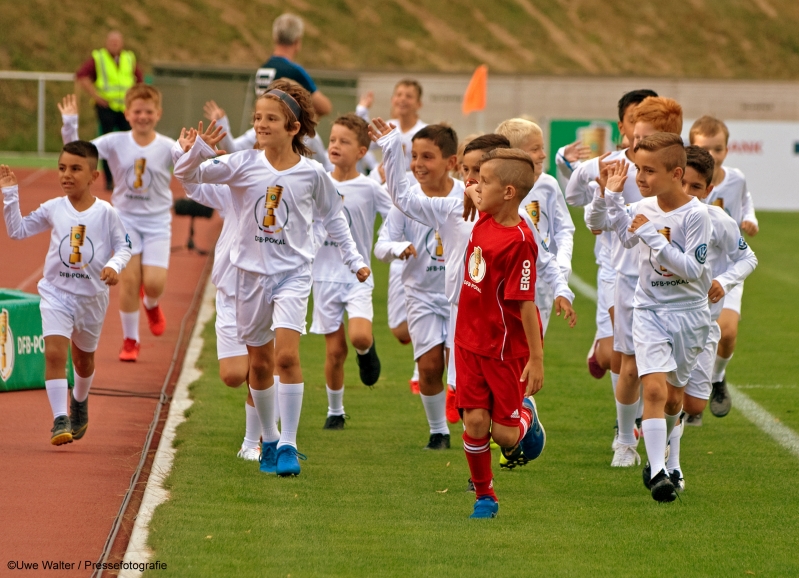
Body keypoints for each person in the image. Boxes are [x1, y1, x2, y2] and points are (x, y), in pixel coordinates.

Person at [173, 79, 369, 477]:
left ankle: (289, 446)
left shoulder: (313, 174)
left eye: (271, 119)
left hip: (293, 275)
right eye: (258, 118)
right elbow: (187, 178)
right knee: (259, 366)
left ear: (293, 127)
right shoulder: (242, 163)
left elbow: (334, 217)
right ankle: (268, 438)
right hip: (248, 278)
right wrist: (196, 151)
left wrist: (354, 259)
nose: (261, 125)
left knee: (286, 356)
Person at [371, 120, 574, 472]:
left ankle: (521, 421)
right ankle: (480, 486)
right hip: (461, 318)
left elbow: (546, 259)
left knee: (500, 427)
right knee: (470, 414)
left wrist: (562, 290)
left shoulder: (520, 221)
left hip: (502, 330)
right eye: (467, 171)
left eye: (479, 172)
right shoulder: (452, 209)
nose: (471, 180)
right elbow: (402, 198)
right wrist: (391, 146)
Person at [601, 133, 712, 502]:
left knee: (674, 400)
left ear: (677, 173)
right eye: (638, 169)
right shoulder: (643, 207)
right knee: (652, 389)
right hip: (649, 310)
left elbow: (693, 269)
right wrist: (614, 197)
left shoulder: (696, 214)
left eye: (649, 170)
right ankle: (658, 473)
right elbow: (623, 236)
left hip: (690, 314)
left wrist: (652, 234)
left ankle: (672, 458)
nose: (640, 177)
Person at [1, 143, 131, 445]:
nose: (66, 175)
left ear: (93, 175)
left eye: (75, 169)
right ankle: (60, 419)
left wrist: (114, 266)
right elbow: (17, 231)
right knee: (55, 353)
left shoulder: (106, 213)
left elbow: (124, 245)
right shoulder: (53, 208)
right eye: (62, 168)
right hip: (56, 294)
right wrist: (10, 195)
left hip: (92, 298)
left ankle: (80, 401)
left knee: (84, 360)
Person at [583, 96, 683, 466]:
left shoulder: (686, 191)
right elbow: (599, 225)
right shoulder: (624, 179)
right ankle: (626, 440)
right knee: (629, 365)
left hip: (680, 295)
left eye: (645, 140)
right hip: (631, 285)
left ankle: (669, 448)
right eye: (635, 138)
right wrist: (606, 193)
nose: (634, 149)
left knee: (674, 384)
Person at [653, 145, 757, 489]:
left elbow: (747, 259)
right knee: (661, 392)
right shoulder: (655, 213)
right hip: (658, 316)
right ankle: (669, 464)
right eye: (684, 183)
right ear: (674, 177)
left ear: (709, 191)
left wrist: (723, 281)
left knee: (692, 403)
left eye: (697, 188)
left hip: (701, 323)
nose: (687, 193)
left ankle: (661, 437)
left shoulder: (718, 220)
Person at [171, 133, 275, 461]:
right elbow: (190, 183)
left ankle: (252, 442)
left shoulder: (290, 187)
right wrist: (186, 151)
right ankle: (268, 399)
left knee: (260, 367)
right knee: (233, 375)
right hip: (231, 294)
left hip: (268, 293)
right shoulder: (233, 191)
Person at [454, 148, 546, 518]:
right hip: (468, 341)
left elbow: (526, 305)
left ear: (509, 192)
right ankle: (485, 496)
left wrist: (536, 360)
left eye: (486, 179)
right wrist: (468, 190)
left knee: (505, 437)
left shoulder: (520, 241)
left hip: (504, 350)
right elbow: (470, 189)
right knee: (475, 422)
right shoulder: (486, 212)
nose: (477, 184)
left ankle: (526, 415)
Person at [59, 87, 176, 363]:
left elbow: (194, 164)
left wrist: (206, 151)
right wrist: (70, 124)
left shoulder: (168, 146)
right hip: (125, 219)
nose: (143, 116)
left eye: (149, 112)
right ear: (127, 113)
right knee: (129, 280)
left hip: (158, 221)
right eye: (137, 111)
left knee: (155, 283)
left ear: (158, 114)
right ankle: (131, 340)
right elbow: (78, 152)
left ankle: (151, 303)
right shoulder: (114, 141)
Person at [374, 124, 462, 449]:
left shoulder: (466, 196)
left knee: (459, 369)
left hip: (459, 297)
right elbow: (381, 245)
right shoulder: (407, 199)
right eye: (413, 156)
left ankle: (477, 430)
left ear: (451, 162)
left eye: (428, 156)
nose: (418, 164)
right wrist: (398, 248)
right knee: (428, 367)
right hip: (421, 295)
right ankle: (439, 431)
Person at [565, 89, 657, 387]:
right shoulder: (605, 165)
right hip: (616, 268)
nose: (640, 131)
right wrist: (601, 197)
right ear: (622, 126)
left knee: (648, 350)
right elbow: (575, 195)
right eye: (634, 121)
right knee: (617, 355)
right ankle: (628, 423)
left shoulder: (670, 168)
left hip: (659, 270)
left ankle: (649, 417)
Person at [311, 114, 392, 429]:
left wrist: (395, 244)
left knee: (358, 337)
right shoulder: (318, 180)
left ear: (361, 151)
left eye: (344, 142)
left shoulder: (370, 188)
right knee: (334, 351)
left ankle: (367, 350)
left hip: (358, 275)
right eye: (332, 140)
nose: (335, 146)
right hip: (323, 277)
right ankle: (335, 411)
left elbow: (396, 217)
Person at [688, 116, 759, 420]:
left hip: (728, 269)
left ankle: (717, 378)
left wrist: (750, 220)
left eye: (718, 149)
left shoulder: (736, 178)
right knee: (691, 338)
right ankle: (692, 395)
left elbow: (744, 202)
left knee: (726, 333)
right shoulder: (684, 182)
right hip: (692, 273)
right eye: (705, 148)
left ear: (727, 150)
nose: (713, 155)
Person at [495, 118, 575, 334]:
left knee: (531, 348)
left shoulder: (548, 184)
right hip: (504, 278)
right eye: (535, 149)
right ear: (514, 155)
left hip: (540, 280)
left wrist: (563, 263)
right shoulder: (497, 188)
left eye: (542, 147)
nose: (543, 154)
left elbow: (564, 228)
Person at [75, 31, 143, 191]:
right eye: (111, 41)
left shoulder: (128, 58)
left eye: (117, 42)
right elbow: (82, 76)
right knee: (107, 143)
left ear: (122, 43)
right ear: (106, 43)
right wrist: (96, 96)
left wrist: (134, 100)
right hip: (106, 108)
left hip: (126, 109)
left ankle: (131, 177)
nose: (114, 44)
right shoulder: (99, 58)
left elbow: (139, 79)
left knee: (131, 142)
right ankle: (109, 180)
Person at [256, 13, 332, 118]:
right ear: (297, 41)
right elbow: (324, 107)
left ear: (275, 38)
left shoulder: (263, 69)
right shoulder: (293, 71)